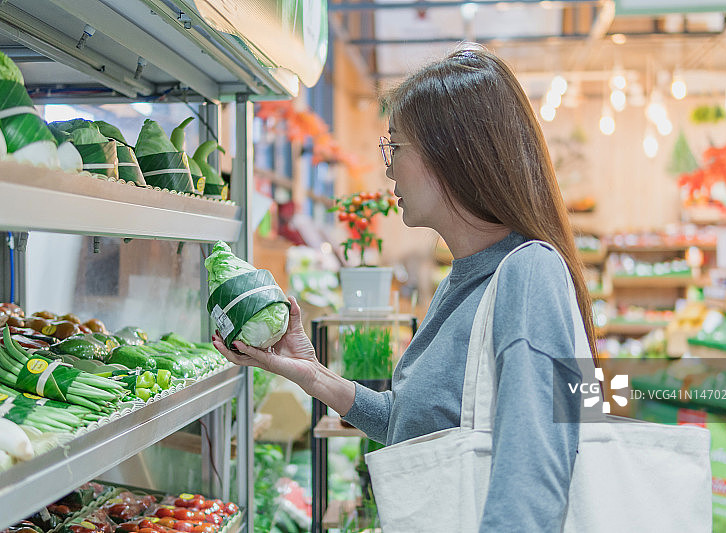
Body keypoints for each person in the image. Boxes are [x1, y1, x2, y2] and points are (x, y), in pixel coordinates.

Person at [213, 45, 597, 531]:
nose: (388, 168)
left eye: (395, 146)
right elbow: (414, 423)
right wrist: (312, 374)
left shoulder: (530, 274)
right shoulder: (462, 279)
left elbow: (537, 477)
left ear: (452, 153)